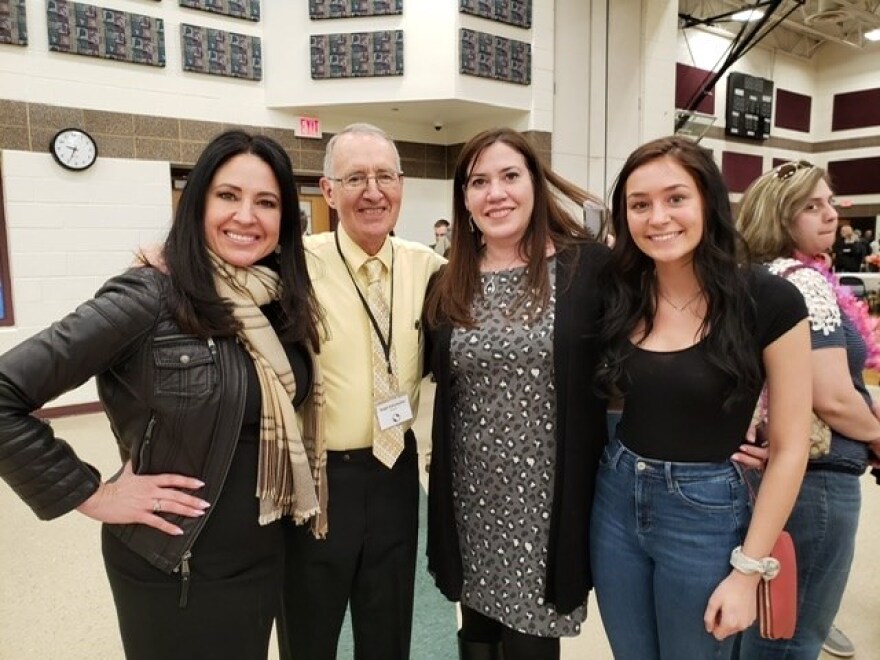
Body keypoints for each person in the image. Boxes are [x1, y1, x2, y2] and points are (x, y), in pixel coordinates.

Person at [0, 130, 321, 659]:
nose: (247, 216)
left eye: (266, 202)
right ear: (196, 204)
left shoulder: (277, 302)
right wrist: (93, 494)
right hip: (177, 564)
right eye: (228, 195)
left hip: (264, 555)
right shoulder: (148, 295)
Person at [590, 136, 812, 659]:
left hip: (707, 512)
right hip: (617, 498)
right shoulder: (621, 291)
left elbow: (790, 448)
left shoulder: (768, 299)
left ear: (708, 202)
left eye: (675, 198)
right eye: (639, 205)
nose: (657, 217)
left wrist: (748, 569)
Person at [423, 127, 611, 660]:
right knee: (477, 632)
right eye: (478, 181)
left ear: (536, 183)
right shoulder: (450, 281)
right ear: (464, 198)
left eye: (509, 176)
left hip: (546, 501)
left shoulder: (585, 268)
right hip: (471, 494)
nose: (495, 193)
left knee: (531, 640)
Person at [278, 123, 445, 660]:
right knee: (310, 629)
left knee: (388, 627)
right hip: (320, 477)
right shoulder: (294, 265)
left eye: (384, 176)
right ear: (329, 191)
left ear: (401, 184)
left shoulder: (431, 268)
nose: (373, 191)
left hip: (396, 473)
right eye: (355, 178)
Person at [737, 159, 880, 659]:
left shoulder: (755, 276)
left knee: (762, 620)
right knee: (792, 635)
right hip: (816, 477)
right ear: (779, 217)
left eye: (830, 202)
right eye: (811, 206)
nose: (831, 215)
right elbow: (833, 397)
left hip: (776, 473)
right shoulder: (804, 282)